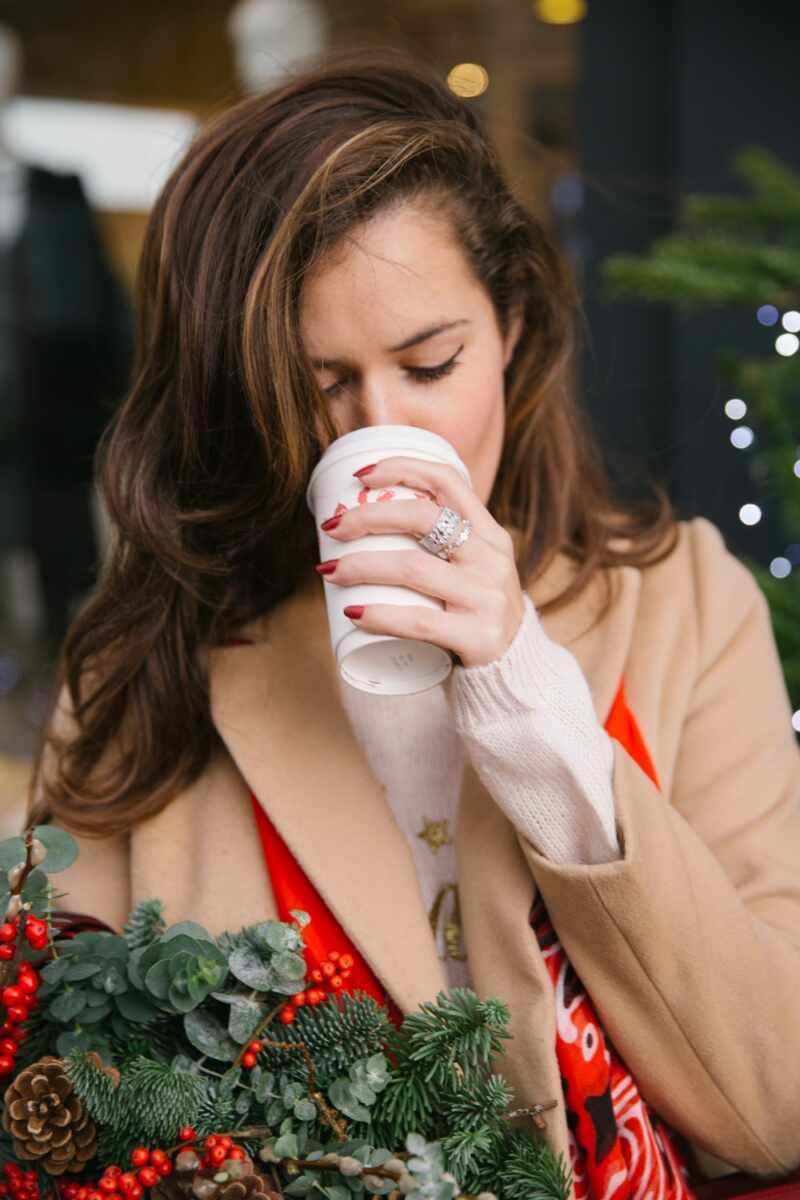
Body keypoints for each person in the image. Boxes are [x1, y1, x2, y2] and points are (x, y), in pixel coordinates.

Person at [25, 49, 800, 1200]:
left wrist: (531, 707)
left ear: (512, 330)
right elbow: (58, 1113)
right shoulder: (145, 668)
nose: (378, 428)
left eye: (430, 362)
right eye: (316, 385)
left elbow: (771, 1109)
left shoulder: (687, 608)